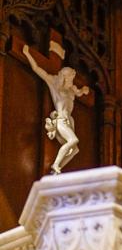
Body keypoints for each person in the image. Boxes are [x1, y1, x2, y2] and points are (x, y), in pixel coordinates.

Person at [23, 44, 90, 174]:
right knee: (73, 140)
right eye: (71, 76)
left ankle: (56, 170)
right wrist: (27, 54)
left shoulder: (72, 89)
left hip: (70, 121)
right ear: (65, 77)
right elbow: (37, 69)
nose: (72, 78)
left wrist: (84, 90)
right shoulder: (55, 84)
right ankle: (55, 165)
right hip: (61, 120)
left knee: (75, 150)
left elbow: (79, 93)